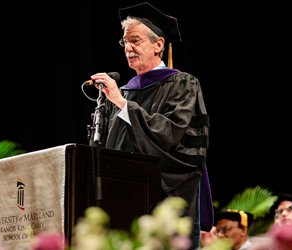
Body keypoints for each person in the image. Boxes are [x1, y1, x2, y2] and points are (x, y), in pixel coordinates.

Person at [89, 2, 212, 248]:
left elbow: (173, 135)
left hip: (164, 198)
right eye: (125, 43)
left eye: (135, 40)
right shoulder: (122, 93)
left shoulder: (183, 84)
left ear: (158, 45)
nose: (128, 48)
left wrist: (124, 105)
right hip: (120, 196)